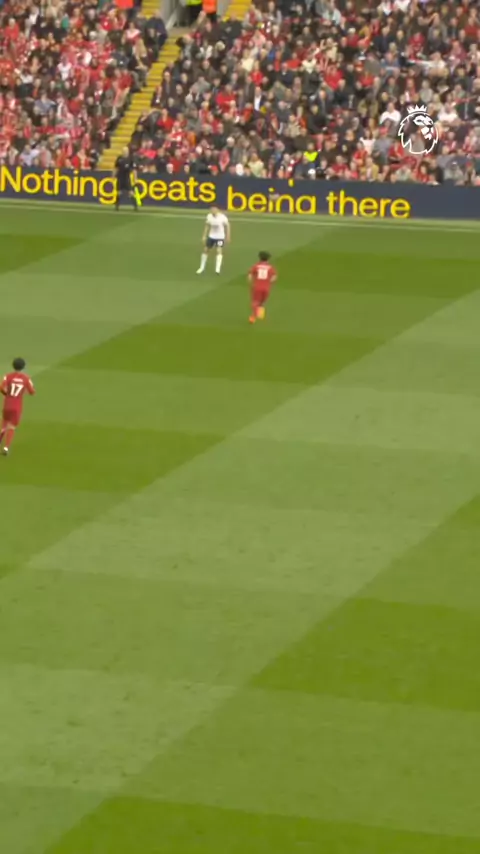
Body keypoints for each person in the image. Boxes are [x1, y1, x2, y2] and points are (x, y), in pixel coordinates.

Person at [0, 358, 35, 456]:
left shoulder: (7, 376)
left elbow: (1, 387)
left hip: (7, 404)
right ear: (23, 367)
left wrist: (6, 394)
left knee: (4, 424)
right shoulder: (26, 378)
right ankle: (6, 448)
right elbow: (32, 392)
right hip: (17, 406)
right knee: (12, 426)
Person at [196, 205, 230, 275]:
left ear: (217, 210)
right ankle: (201, 267)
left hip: (220, 237)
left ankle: (217, 269)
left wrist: (228, 236)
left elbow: (227, 226)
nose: (213, 211)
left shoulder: (222, 217)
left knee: (219, 250)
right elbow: (207, 226)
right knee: (205, 250)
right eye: (211, 209)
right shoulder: (209, 216)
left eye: (214, 209)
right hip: (211, 236)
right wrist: (204, 236)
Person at [248, 251, 277, 324]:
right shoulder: (270, 267)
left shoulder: (256, 266)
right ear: (268, 259)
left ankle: (253, 317)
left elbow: (250, 276)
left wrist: (252, 283)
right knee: (262, 302)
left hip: (257, 287)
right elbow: (274, 277)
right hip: (266, 288)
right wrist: (269, 282)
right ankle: (260, 314)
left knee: (255, 302)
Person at [114, 146, 139, 211]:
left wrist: (135, 178)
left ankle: (135, 206)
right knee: (118, 192)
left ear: (128, 151)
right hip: (120, 178)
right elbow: (116, 168)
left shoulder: (130, 159)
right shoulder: (119, 158)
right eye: (124, 151)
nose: (125, 152)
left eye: (126, 151)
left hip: (127, 178)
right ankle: (117, 206)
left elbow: (134, 170)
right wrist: (113, 176)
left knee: (131, 192)